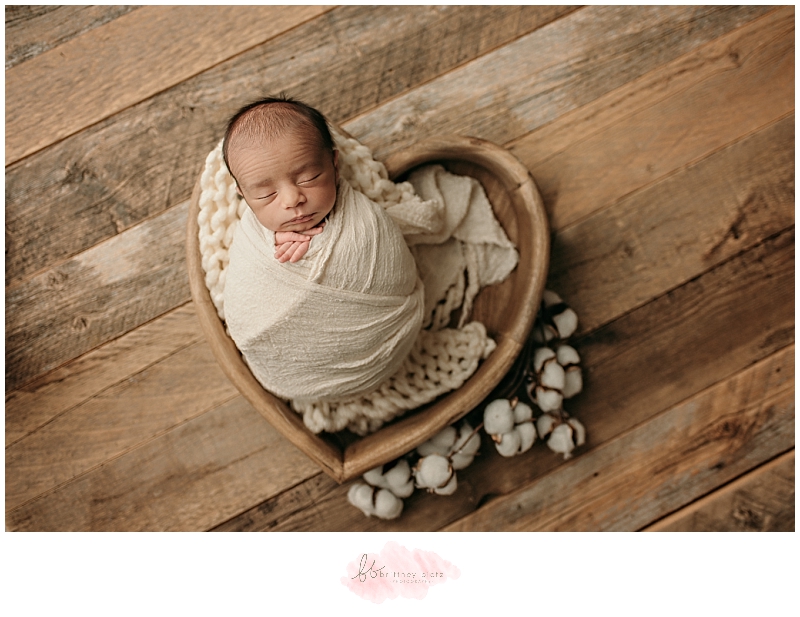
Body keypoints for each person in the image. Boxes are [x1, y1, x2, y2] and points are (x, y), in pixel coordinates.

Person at [223, 95, 338, 264]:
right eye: (265, 194)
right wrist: (267, 241)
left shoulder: (361, 216)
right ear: (244, 196)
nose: (292, 200)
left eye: (308, 178)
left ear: (335, 166)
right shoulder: (251, 239)